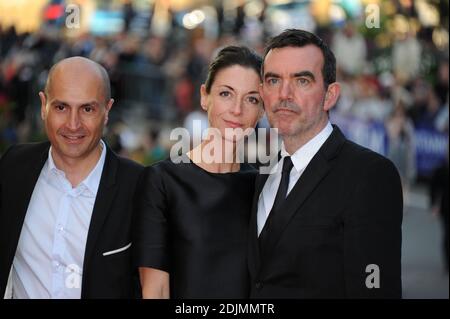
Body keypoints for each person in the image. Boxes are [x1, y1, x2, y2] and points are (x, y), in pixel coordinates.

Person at [248, 29, 403, 298]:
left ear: (330, 95)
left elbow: (376, 289)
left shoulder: (369, 175)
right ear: (262, 92)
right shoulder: (263, 174)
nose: (284, 94)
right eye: (273, 80)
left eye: (302, 81)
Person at [0, 57, 143, 299]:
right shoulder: (14, 167)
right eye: (61, 107)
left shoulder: (140, 186)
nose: (73, 124)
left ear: (106, 111)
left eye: (87, 109)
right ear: (44, 105)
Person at [133, 46, 264, 298]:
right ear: (205, 97)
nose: (237, 109)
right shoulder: (163, 181)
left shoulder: (262, 187)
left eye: (251, 99)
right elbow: (156, 290)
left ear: (262, 110)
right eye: (226, 94)